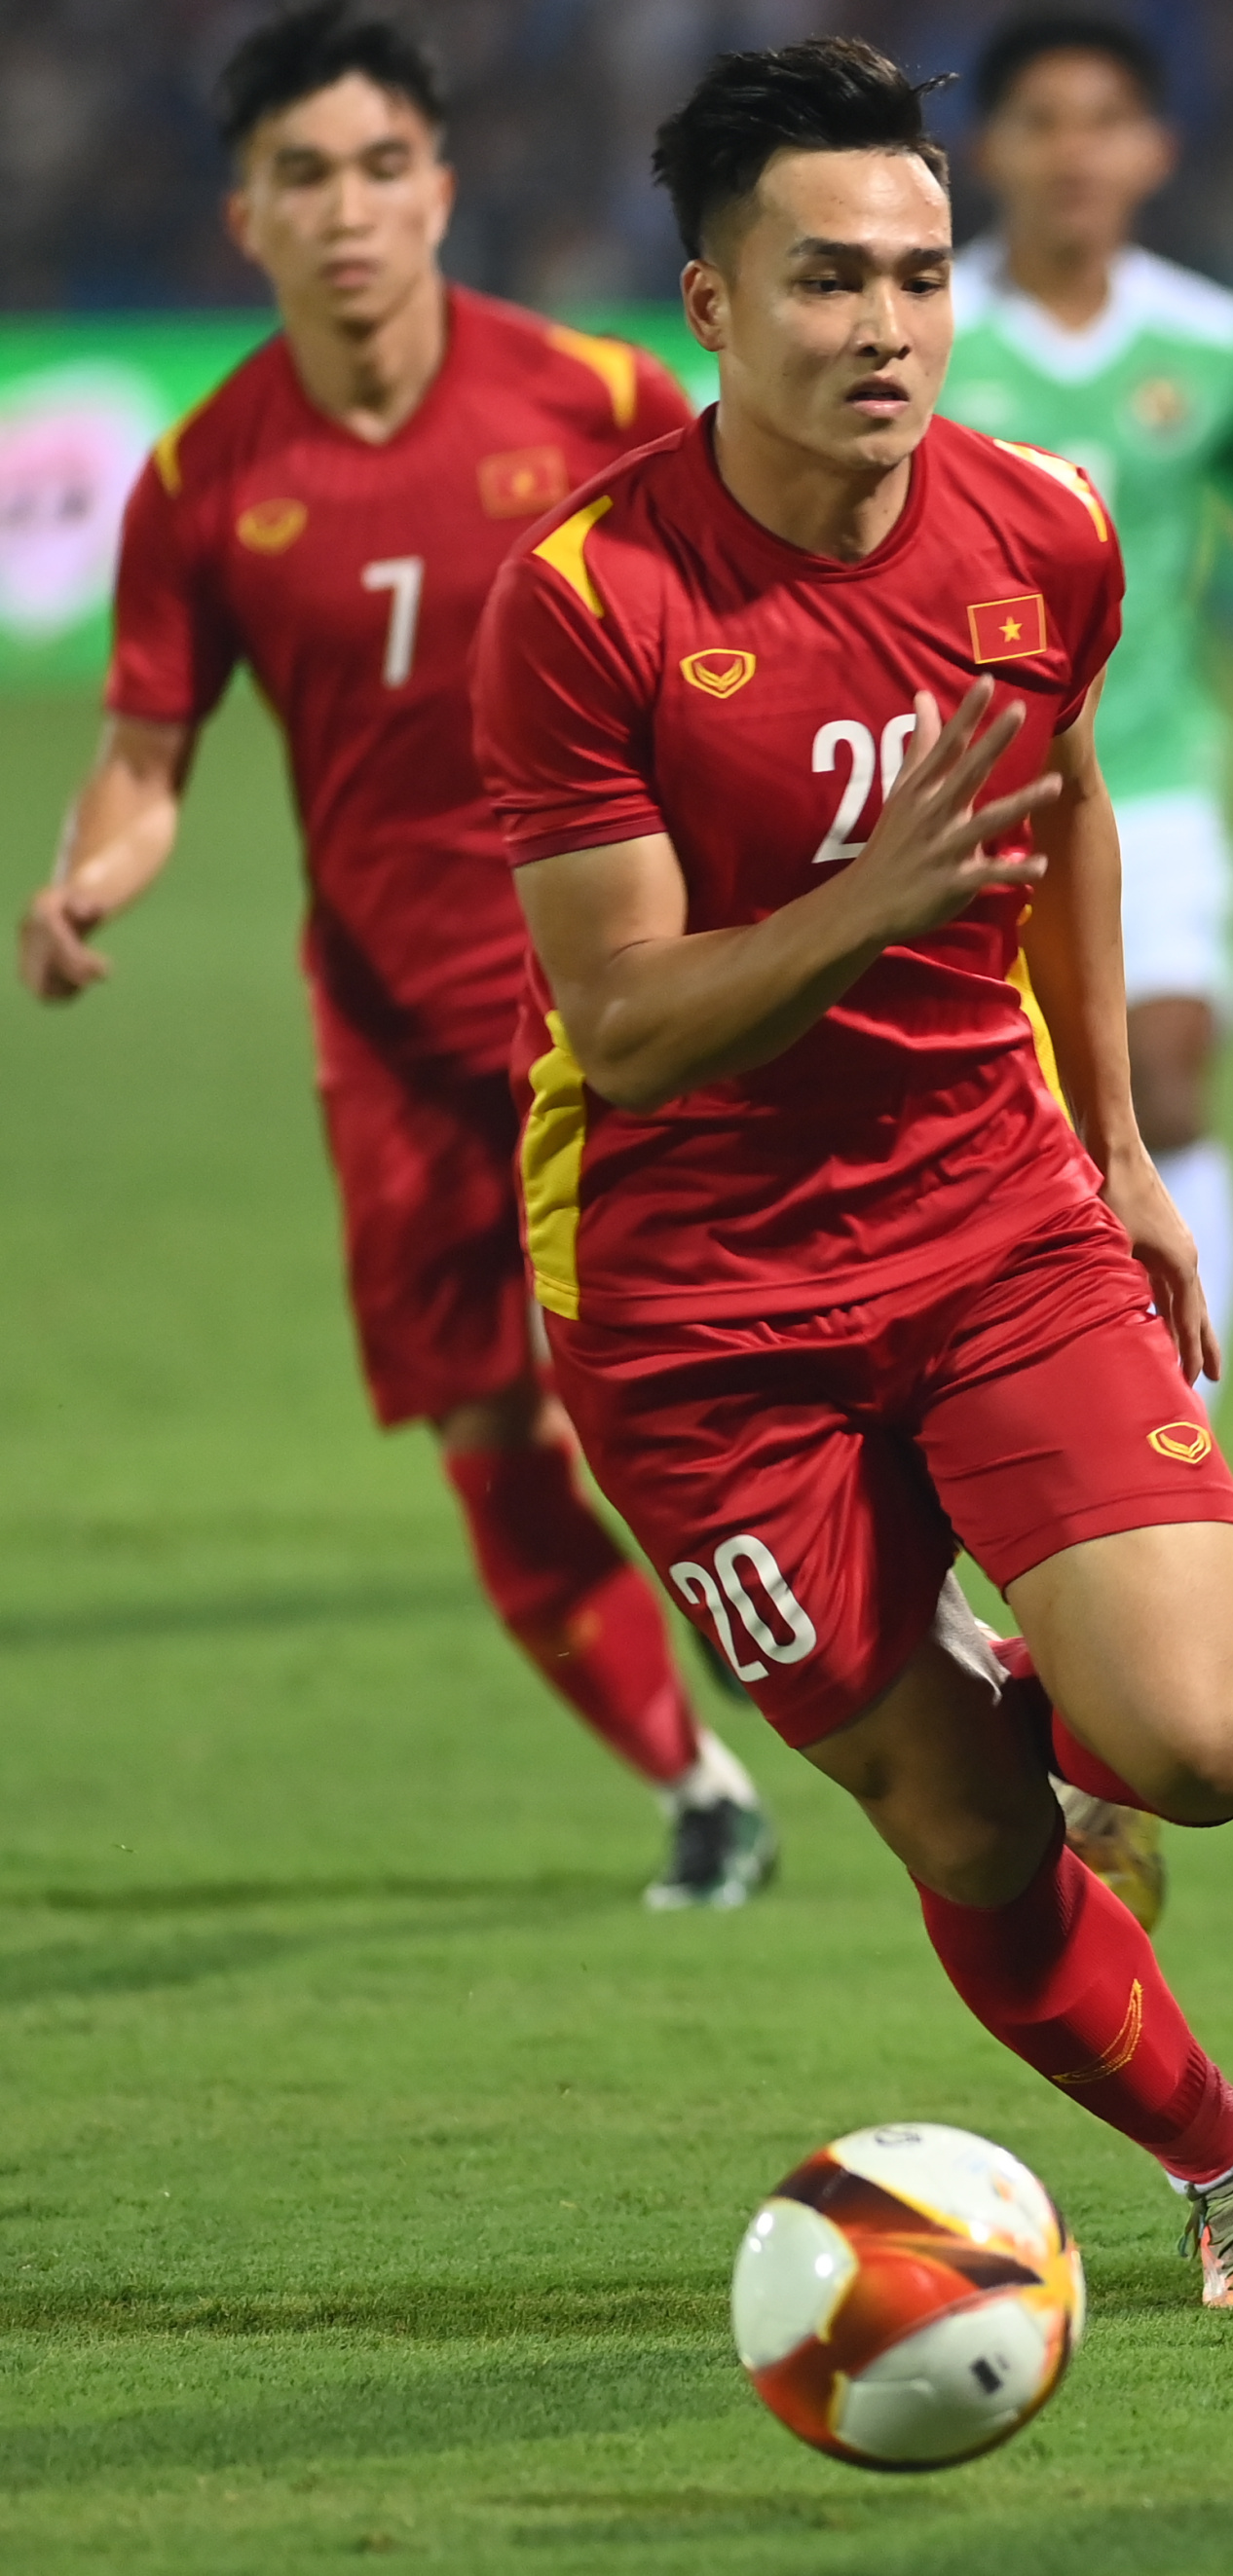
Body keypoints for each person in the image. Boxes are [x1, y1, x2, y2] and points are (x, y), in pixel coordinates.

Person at [473, 36, 1233, 2310]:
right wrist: (872, 894)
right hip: (693, 1306)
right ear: (710, 304)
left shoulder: (1043, 523)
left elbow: (1060, 813)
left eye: (922, 278)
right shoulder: (585, 605)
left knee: (1206, 1743)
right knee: (954, 1816)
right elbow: (628, 1024)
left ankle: (1028, 1664)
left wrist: (1124, 1144)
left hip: (989, 1210)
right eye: (828, 280)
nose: (885, 326)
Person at [19, 3, 774, 1909]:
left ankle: (928, 1683)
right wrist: (88, 877)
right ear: (243, 219)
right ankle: (698, 1784)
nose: (346, 211)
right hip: (394, 1048)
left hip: (629, 1000)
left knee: (745, 1383)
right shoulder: (203, 483)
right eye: (302, 179)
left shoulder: (595, 404)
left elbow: (756, 612)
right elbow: (145, 754)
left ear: (439, 187)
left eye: (378, 168)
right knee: (494, 1438)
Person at [940, 13, 1233, 1426]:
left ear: (1154, 150)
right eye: (1042, 122)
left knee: (1166, 1081)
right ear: (991, 149)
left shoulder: (1218, 343)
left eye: (1103, 121)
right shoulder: (926, 326)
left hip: (1152, 772)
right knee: (997, 1119)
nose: (1075, 152)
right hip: (949, 788)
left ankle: (1171, 1418)